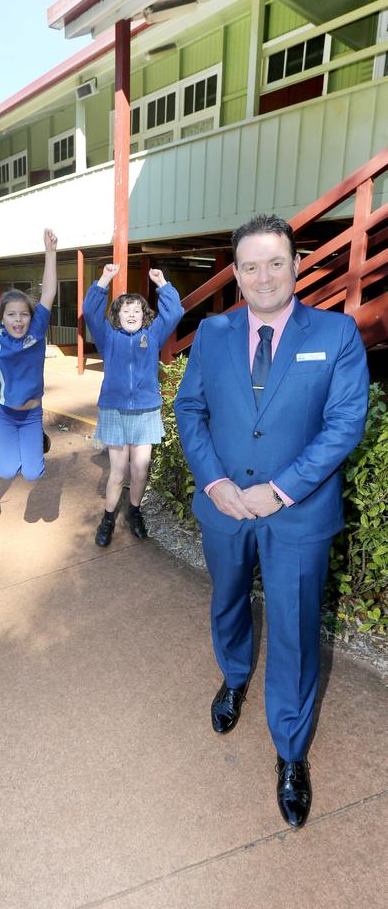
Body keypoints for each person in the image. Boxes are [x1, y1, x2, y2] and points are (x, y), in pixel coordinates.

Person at [174, 213, 369, 829]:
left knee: (294, 627)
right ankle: (234, 675)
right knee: (228, 602)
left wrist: (279, 490)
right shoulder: (211, 332)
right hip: (225, 508)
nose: (264, 276)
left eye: (275, 262)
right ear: (235, 273)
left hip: (298, 516)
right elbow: (190, 409)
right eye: (250, 265)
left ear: (296, 265)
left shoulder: (336, 334)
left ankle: (290, 750)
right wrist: (217, 482)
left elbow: (344, 425)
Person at [83, 263, 183, 546]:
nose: (130, 314)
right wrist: (104, 279)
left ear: (144, 315)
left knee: (140, 468)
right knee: (118, 472)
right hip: (114, 410)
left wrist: (163, 284)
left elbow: (174, 312)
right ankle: (108, 518)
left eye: (136, 310)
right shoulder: (108, 337)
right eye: (125, 310)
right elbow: (90, 311)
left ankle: (134, 512)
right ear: (117, 316)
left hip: (145, 410)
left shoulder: (152, 336)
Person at [0, 227, 58, 482]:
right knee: (6, 472)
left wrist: (50, 252)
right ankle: (26, 444)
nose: (18, 320)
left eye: (23, 314)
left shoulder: (38, 330)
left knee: (32, 474)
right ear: (2, 317)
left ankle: (37, 438)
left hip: (32, 414)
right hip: (5, 414)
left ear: (31, 317)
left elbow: (49, 293)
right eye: (11, 314)